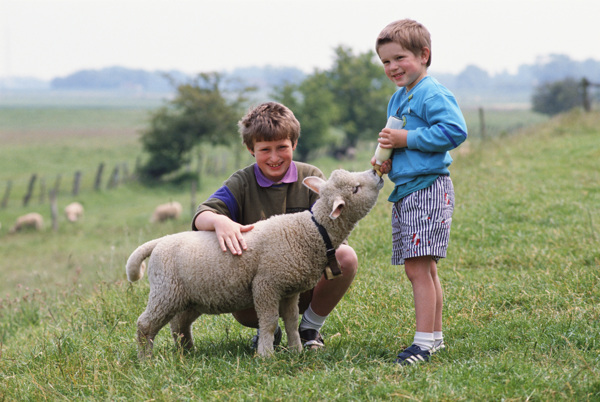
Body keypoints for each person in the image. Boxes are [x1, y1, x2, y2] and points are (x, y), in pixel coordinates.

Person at [192, 101, 358, 350]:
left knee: (346, 256)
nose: (274, 157)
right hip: (256, 288)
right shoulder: (242, 182)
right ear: (250, 149)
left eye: (282, 147)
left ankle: (309, 328)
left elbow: (334, 229)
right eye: (264, 149)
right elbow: (201, 215)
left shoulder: (310, 176)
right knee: (252, 303)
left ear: (294, 144)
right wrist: (219, 220)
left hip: (306, 283)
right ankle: (269, 331)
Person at [371, 19, 468, 365]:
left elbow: (455, 131)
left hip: (429, 188)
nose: (393, 67)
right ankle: (434, 337)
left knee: (418, 268)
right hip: (408, 189)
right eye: (385, 62)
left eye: (400, 58)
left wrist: (405, 139)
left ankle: (423, 342)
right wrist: (388, 160)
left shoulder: (432, 92)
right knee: (424, 268)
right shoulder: (398, 99)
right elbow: (399, 143)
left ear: (424, 55)